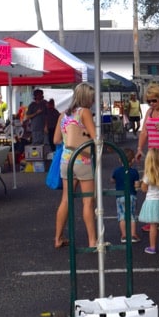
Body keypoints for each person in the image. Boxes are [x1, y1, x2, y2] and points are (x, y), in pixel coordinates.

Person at [53, 83, 100, 249]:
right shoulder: (84, 112)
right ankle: (92, 241)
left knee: (65, 199)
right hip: (83, 160)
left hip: (66, 161)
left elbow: (56, 140)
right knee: (88, 201)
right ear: (87, 97)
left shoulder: (63, 115)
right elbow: (96, 138)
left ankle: (58, 238)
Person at [137, 147, 159, 255]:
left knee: (153, 226)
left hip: (152, 202)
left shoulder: (148, 175)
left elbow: (144, 188)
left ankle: (152, 247)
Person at [112, 147, 141, 243]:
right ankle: (133, 235)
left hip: (119, 196)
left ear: (120, 159)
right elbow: (136, 184)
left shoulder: (116, 171)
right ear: (132, 160)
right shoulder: (134, 172)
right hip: (131, 195)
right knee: (132, 215)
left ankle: (124, 235)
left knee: (122, 216)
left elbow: (112, 180)